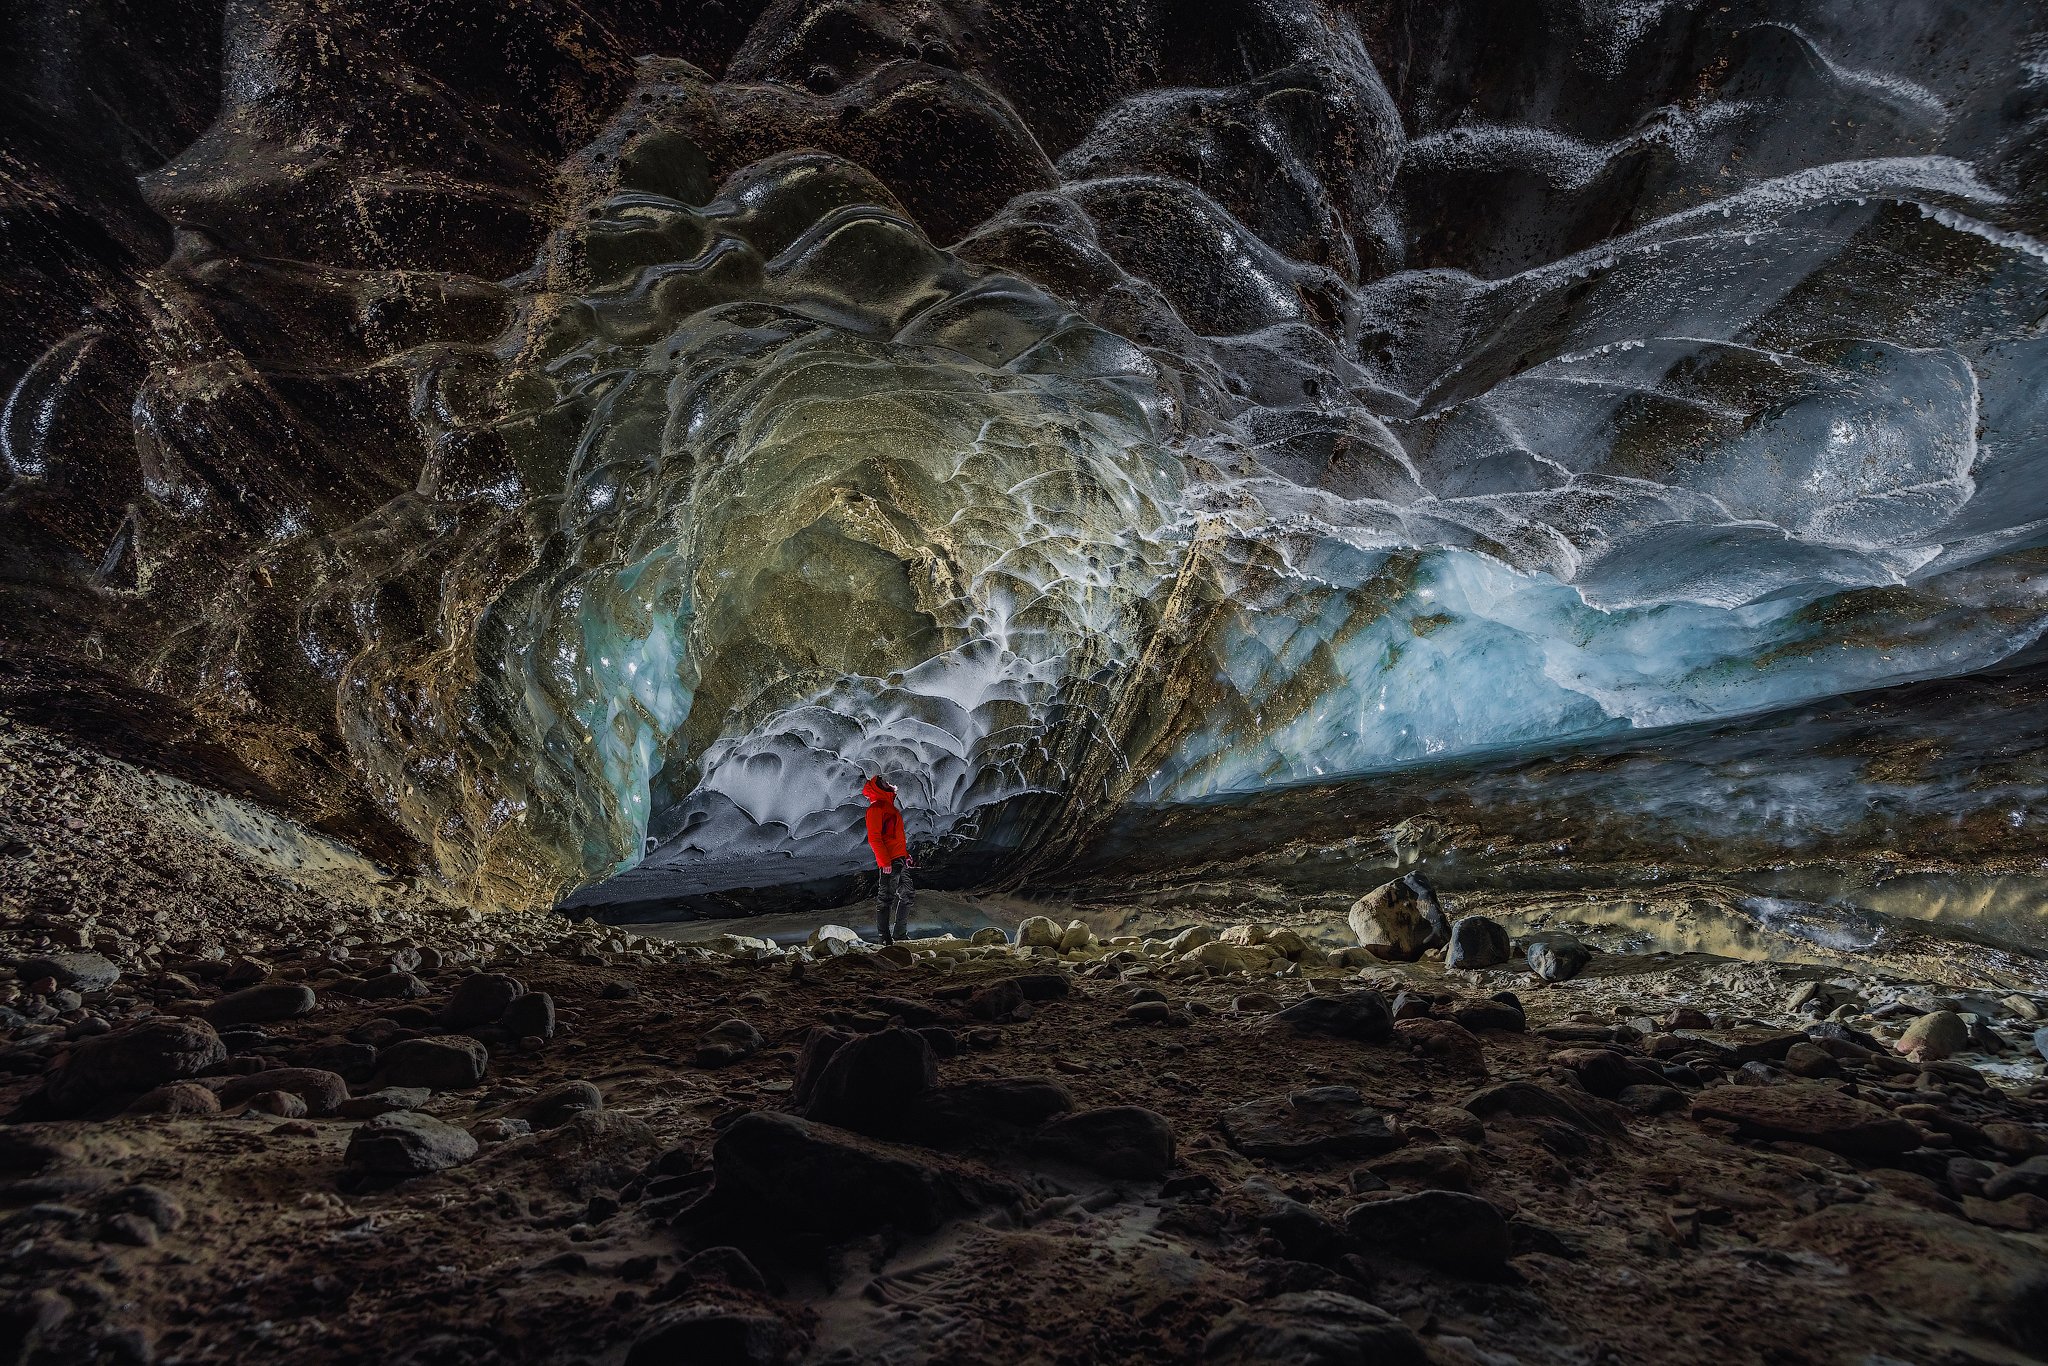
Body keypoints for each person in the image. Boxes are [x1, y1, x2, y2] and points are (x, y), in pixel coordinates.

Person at [862, 775, 912, 944]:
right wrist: (884, 862)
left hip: (899, 859)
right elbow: (874, 838)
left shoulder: (889, 807)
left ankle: (900, 934)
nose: (889, 783)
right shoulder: (876, 809)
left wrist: (905, 855)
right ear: (878, 788)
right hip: (889, 861)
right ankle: (885, 939)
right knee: (886, 899)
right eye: (884, 782)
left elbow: (894, 837)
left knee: (907, 895)